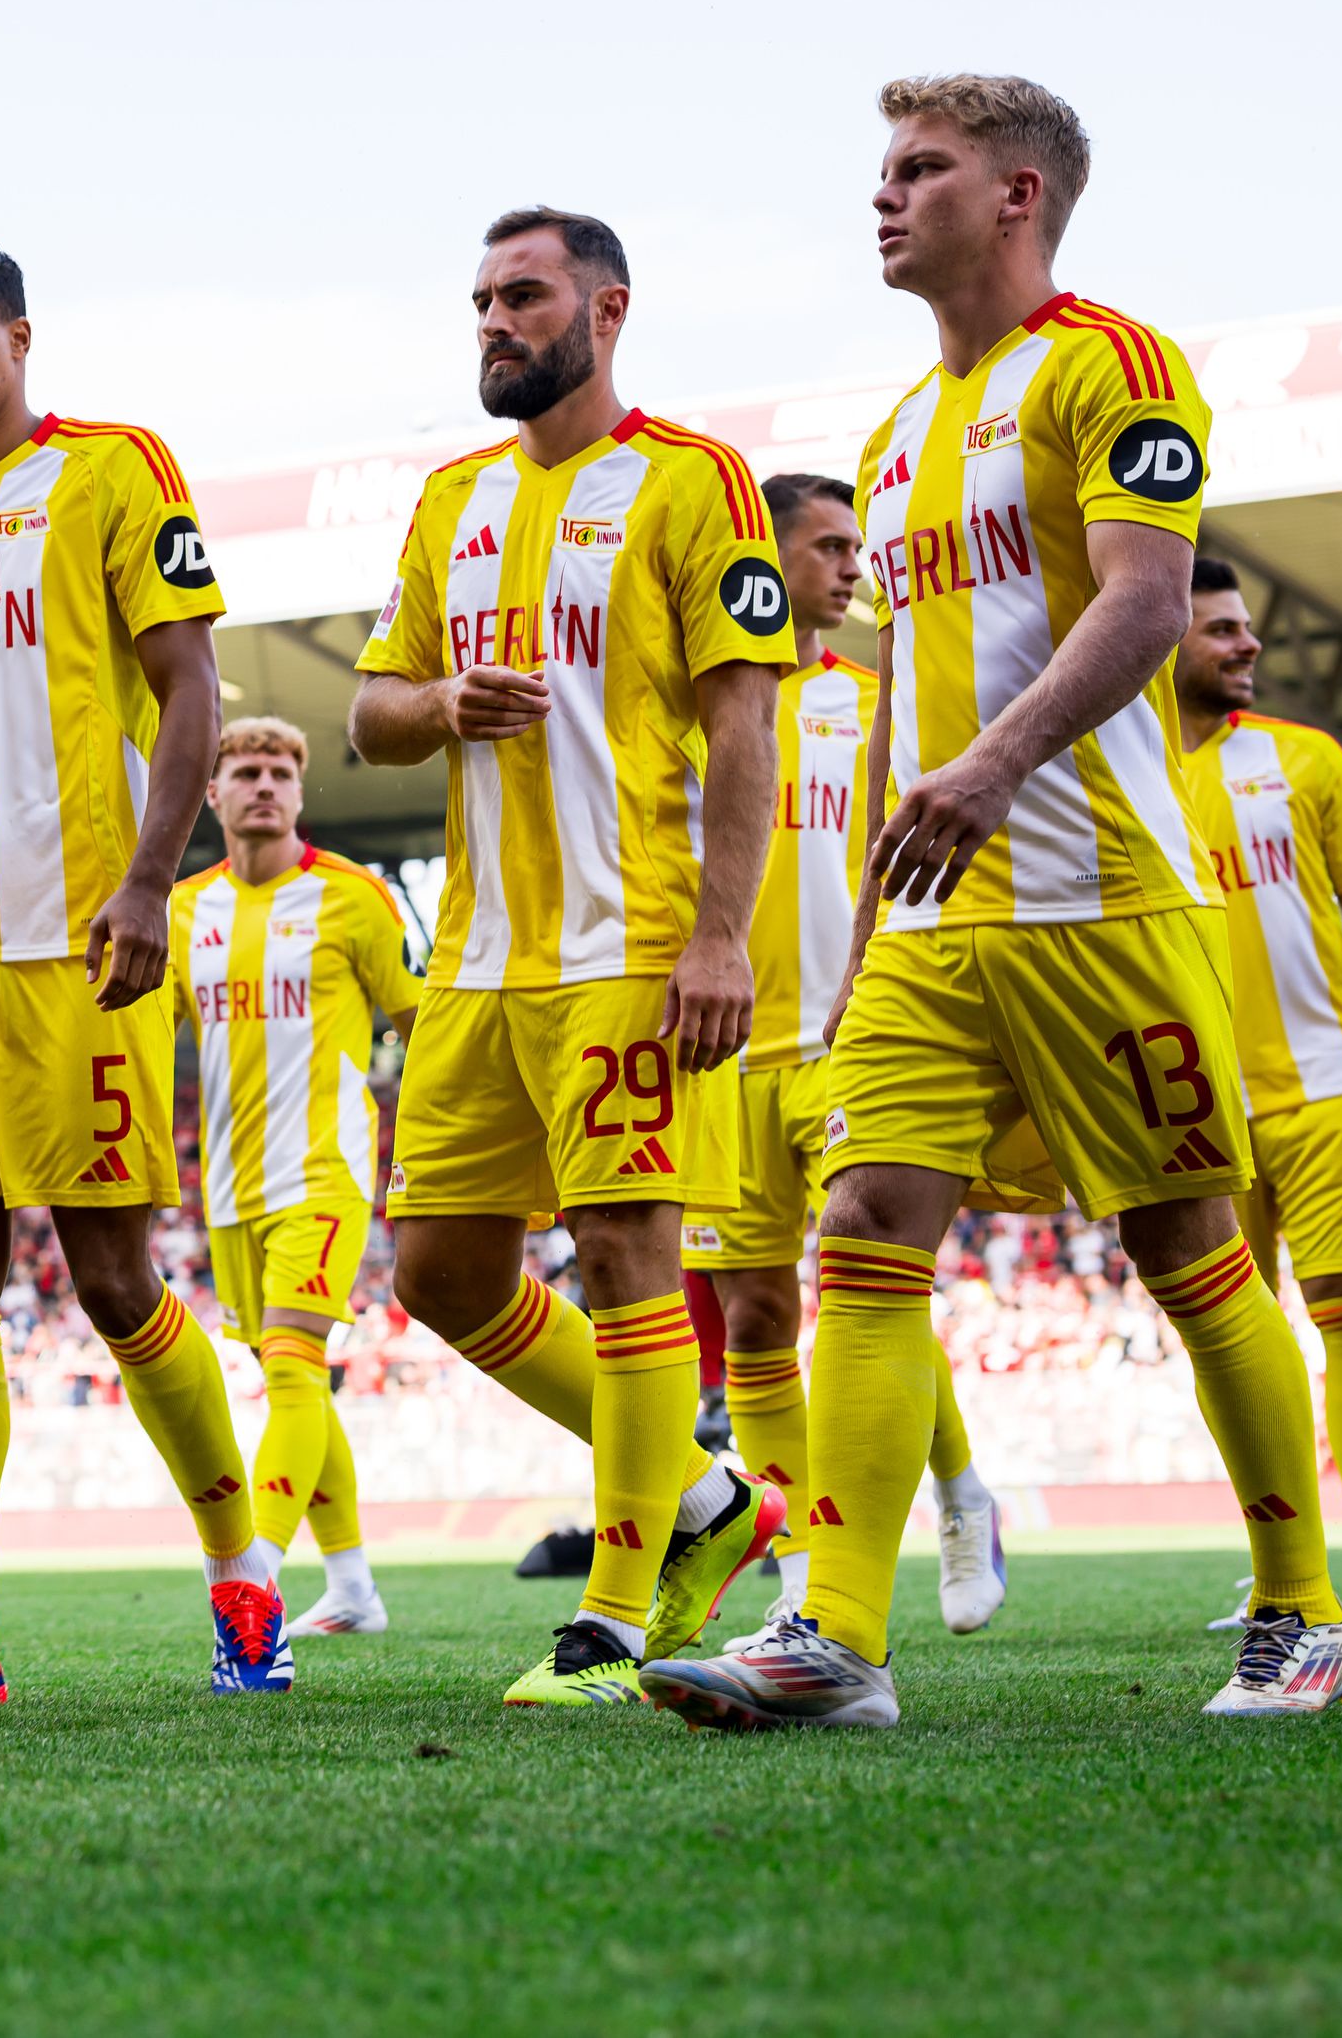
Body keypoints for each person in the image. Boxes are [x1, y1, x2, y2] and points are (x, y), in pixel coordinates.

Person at [646, 74, 1342, 1729]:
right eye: (884, 170)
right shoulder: (899, 431)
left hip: (1100, 893)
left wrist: (994, 768)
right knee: (863, 1231)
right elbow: (904, 700)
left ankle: (1302, 1609)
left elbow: (1148, 601)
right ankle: (839, 1637)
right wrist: (865, 932)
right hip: (930, 926)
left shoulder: (1114, 364)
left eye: (922, 168)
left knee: (1184, 1245)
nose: (883, 196)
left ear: (1018, 193)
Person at [0, 235, 279, 1711]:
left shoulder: (110, 471)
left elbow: (189, 684)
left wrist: (149, 881)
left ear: (17, 336)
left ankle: (244, 1571)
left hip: (79, 940)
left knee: (111, 1276)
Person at [347, 205, 784, 1710]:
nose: (493, 321)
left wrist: (719, 933)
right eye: (480, 299)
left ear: (606, 310)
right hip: (476, 960)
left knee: (623, 1255)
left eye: (522, 295)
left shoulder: (691, 480)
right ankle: (710, 1502)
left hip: (628, 940)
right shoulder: (451, 499)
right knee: (440, 1272)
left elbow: (744, 725)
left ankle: (611, 1624)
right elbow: (372, 714)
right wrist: (440, 705)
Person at [692, 475, 1005, 1641]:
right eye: (825, 546)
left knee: (870, 1274)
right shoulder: (690, 700)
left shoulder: (875, 704)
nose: (851, 568)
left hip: (848, 1028)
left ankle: (959, 1492)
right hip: (720, 1048)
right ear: (761, 555)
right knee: (753, 1316)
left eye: (853, 547)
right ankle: (799, 1567)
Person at [1172, 557, 1342, 1633]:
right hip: (1191, 1103)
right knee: (1226, 1332)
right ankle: (1280, 1567)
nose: (1247, 643)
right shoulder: (1119, 772)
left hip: (1326, 1086)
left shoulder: (1305, 758)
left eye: (1247, 626)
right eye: (1219, 628)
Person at [168, 715, 417, 1641]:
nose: (265, 784)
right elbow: (149, 1042)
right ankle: (352, 1588)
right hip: (231, 1186)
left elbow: (421, 1023)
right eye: (246, 771)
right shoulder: (182, 909)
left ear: (301, 792)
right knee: (292, 1379)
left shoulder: (354, 896)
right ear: (213, 793)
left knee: (292, 1362)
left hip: (325, 1171)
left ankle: (255, 1576)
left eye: (280, 771)